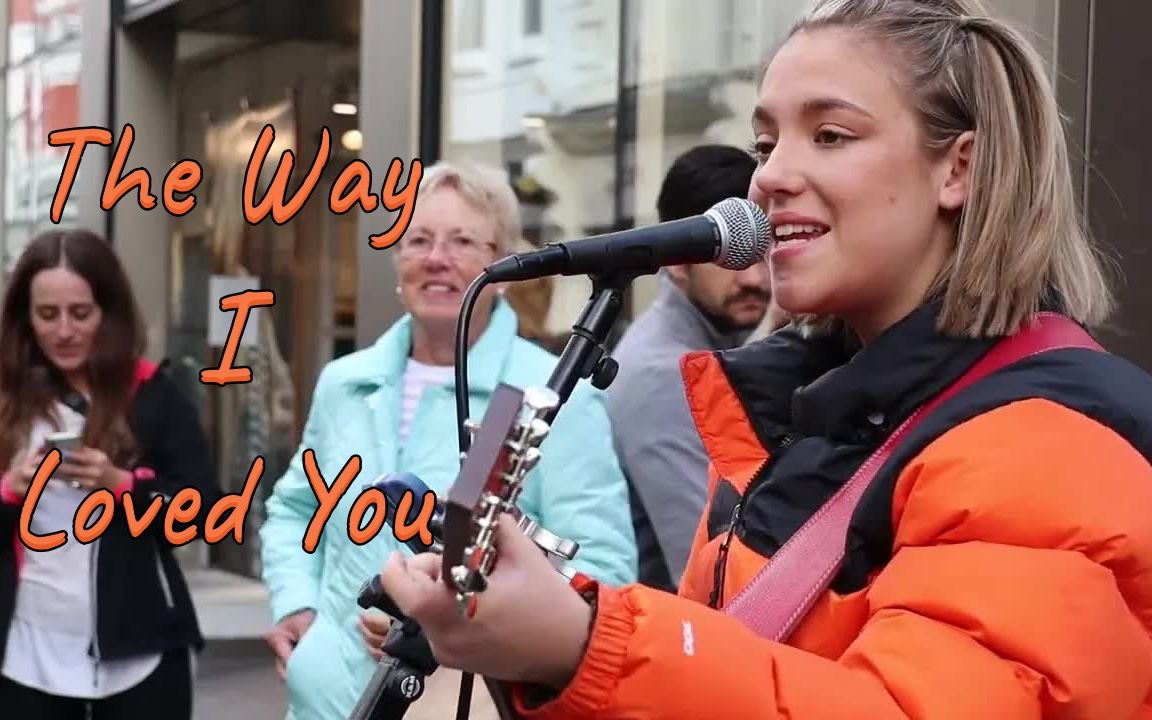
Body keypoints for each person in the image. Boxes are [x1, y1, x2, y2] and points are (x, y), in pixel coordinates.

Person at [373, 0, 1152, 717]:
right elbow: (735, 661)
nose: (770, 176)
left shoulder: (1049, 443)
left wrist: (583, 642)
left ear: (960, 169)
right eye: (766, 142)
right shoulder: (796, 410)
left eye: (831, 135)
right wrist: (550, 628)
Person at [258, 161, 638, 720]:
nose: (437, 258)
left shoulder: (554, 395)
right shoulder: (345, 382)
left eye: (463, 241)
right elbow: (295, 511)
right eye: (419, 240)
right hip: (322, 703)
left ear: (502, 264)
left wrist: (459, 632)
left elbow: (600, 575)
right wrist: (296, 606)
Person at [0, 229, 218, 720]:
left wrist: (124, 486)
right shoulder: (6, 398)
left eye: (81, 313)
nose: (64, 331)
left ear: (108, 313)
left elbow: (208, 513)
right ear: (24, 318)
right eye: (47, 315)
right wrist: (9, 491)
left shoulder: (152, 395)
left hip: (139, 654)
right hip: (22, 652)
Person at [607, 144, 776, 591]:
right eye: (732, 255)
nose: (755, 278)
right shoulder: (663, 374)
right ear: (677, 259)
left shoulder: (719, 342)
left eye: (762, 247)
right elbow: (708, 570)